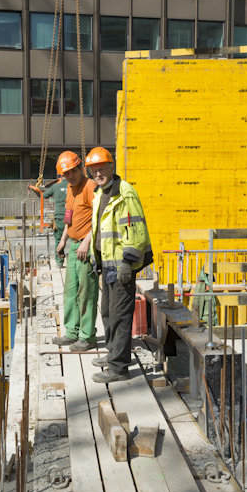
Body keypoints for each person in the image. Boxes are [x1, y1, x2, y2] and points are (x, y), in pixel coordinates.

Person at [86, 147, 153, 383]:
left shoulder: (125, 193)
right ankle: (114, 354)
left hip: (121, 266)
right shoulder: (99, 193)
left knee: (120, 315)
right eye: (94, 171)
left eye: (102, 169)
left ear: (111, 167)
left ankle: (119, 367)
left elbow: (136, 231)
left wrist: (127, 262)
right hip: (108, 265)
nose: (98, 174)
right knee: (107, 312)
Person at [53, 151, 99, 352]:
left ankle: (87, 336)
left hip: (85, 247)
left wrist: (86, 242)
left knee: (86, 292)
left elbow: (100, 219)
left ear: (81, 168)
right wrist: (63, 240)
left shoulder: (91, 187)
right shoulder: (70, 189)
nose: (70, 176)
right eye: (66, 173)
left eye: (72, 171)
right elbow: (69, 217)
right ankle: (72, 332)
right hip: (73, 244)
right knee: (70, 291)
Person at [41, 176, 68, 268]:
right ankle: (76, 261)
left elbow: (44, 195)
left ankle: (59, 262)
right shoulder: (73, 185)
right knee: (75, 240)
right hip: (71, 216)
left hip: (59, 216)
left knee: (58, 240)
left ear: (61, 176)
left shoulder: (56, 186)